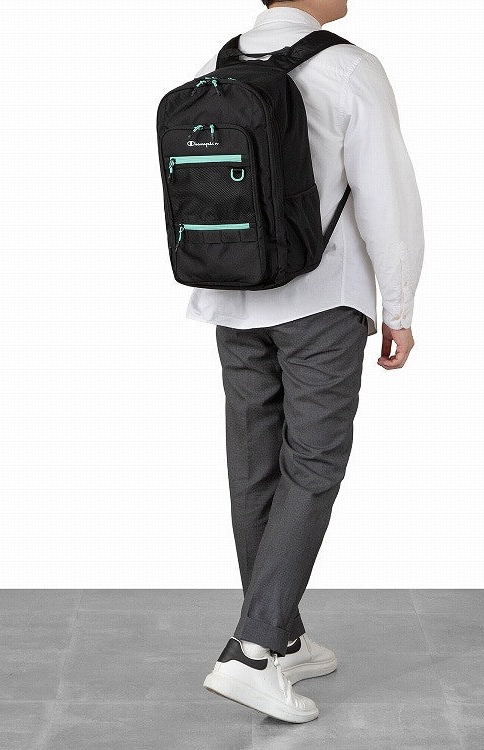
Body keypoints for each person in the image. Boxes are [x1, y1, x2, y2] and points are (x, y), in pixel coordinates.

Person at [195, 0, 425, 723]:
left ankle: (282, 635)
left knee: (254, 465)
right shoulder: (350, 67)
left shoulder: (218, 66)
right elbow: (388, 197)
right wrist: (399, 307)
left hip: (231, 292)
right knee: (314, 463)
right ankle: (251, 651)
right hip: (321, 300)